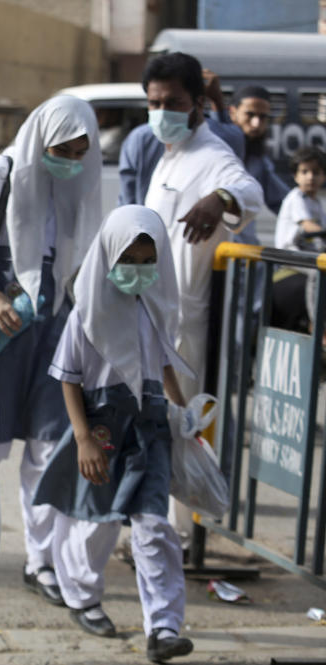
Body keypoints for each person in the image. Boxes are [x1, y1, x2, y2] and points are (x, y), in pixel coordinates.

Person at [0, 95, 102, 606]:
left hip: (55, 322)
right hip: (2, 321)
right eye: (62, 149)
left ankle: (41, 560)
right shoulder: (4, 169)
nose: (70, 161)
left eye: (80, 152)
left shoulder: (79, 182)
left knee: (50, 445)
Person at [33, 205, 196, 662]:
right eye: (130, 262)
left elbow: (163, 363)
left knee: (153, 525)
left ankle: (162, 627)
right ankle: (82, 597)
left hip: (151, 430)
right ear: (108, 255)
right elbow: (67, 377)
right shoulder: (87, 313)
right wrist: (84, 438)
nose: (140, 272)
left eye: (149, 263)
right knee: (96, 523)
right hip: (104, 429)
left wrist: (181, 411)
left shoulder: (158, 305)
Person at [141, 52, 262, 551]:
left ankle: (180, 538)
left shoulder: (212, 156)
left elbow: (248, 190)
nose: (163, 109)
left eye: (173, 102)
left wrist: (221, 201)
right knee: (153, 432)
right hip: (147, 320)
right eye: (154, 102)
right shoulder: (168, 152)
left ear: (196, 105)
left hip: (182, 328)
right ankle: (155, 534)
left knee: (182, 430)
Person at [118, 69, 245, 208]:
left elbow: (246, 188)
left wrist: (220, 198)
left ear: (198, 102)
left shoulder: (215, 149)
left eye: (173, 103)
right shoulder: (140, 139)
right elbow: (127, 201)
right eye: (155, 103)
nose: (163, 112)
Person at [272, 146, 326, 331]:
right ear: (296, 176)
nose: (310, 177)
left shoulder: (317, 203)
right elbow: (309, 226)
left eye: (316, 172)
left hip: (306, 252)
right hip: (288, 253)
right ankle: (317, 321)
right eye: (304, 172)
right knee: (316, 273)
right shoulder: (296, 198)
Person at [229, 85, 290, 219]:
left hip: (242, 239)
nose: (256, 124)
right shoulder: (216, 149)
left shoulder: (259, 161)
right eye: (249, 115)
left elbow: (284, 202)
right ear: (233, 112)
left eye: (262, 117)